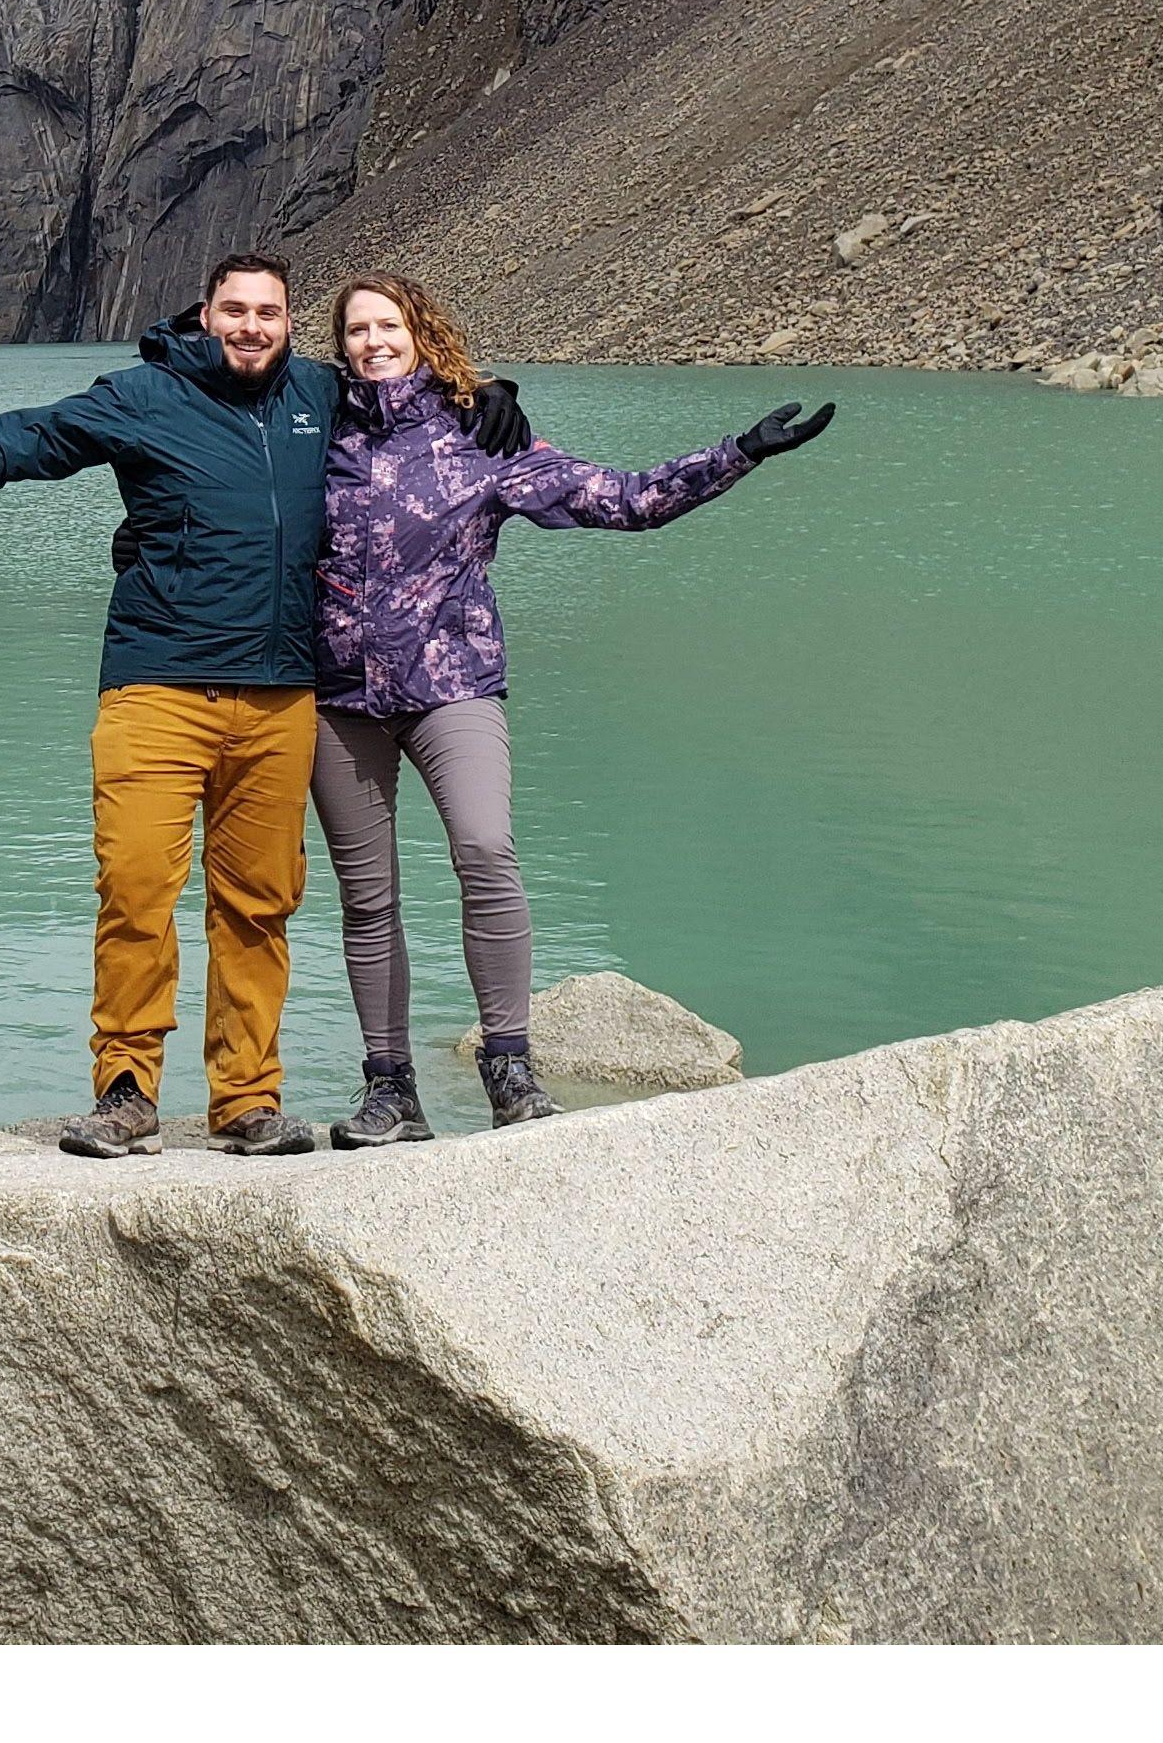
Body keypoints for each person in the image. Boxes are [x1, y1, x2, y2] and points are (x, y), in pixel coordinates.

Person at [0, 250, 529, 1158]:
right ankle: (125, 1091)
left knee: (258, 906)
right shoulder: (143, 396)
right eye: (236, 310)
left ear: (290, 324)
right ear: (205, 313)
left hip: (277, 701)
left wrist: (481, 393)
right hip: (157, 688)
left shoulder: (316, 395)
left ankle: (248, 1102)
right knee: (137, 891)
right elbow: (25, 440)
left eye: (269, 312)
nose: (252, 327)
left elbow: (399, 391)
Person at [311, 269, 831, 1144]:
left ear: (420, 330)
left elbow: (623, 500)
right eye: (357, 329)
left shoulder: (478, 433)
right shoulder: (312, 432)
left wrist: (738, 453)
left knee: (485, 846)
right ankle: (390, 1087)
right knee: (368, 898)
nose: (373, 342)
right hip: (338, 699)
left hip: (454, 686)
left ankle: (509, 1066)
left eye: (388, 325)